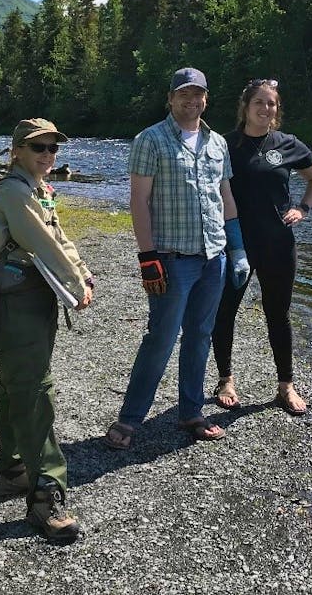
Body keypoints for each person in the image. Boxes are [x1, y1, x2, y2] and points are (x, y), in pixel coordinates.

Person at [104, 67, 250, 450]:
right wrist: (147, 256)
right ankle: (130, 419)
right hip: (171, 259)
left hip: (213, 258)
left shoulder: (217, 143)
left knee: (201, 335)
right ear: (170, 99)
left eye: (197, 94)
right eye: (183, 94)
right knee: (161, 338)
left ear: (206, 98)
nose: (191, 100)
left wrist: (237, 250)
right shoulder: (149, 140)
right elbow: (138, 201)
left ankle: (191, 412)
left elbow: (227, 199)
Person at [0, 118, 94, 544]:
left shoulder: (36, 189)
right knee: (33, 390)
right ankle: (46, 496)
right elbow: (42, 244)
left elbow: (59, 237)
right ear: (17, 151)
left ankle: (11, 469)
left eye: (53, 148)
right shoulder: (13, 192)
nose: (48, 155)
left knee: (16, 385)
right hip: (14, 303)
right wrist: (76, 284)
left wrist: (83, 271)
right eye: (39, 148)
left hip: (33, 296)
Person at [211, 79, 312, 416]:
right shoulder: (225, 145)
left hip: (278, 244)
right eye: (259, 103)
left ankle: (285, 386)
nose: (265, 109)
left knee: (278, 315)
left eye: (271, 104)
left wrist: (303, 209)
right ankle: (225, 379)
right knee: (225, 312)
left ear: (277, 109)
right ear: (245, 107)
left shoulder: (288, 144)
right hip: (235, 245)